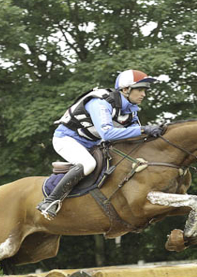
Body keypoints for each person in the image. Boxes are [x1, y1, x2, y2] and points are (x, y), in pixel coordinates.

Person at [36, 69, 164, 219]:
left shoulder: (131, 111)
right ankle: (50, 201)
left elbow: (134, 137)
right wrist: (143, 129)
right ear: (125, 89)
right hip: (67, 139)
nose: (143, 94)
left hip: (93, 143)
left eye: (145, 90)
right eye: (140, 89)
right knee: (88, 164)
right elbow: (108, 134)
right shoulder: (100, 102)